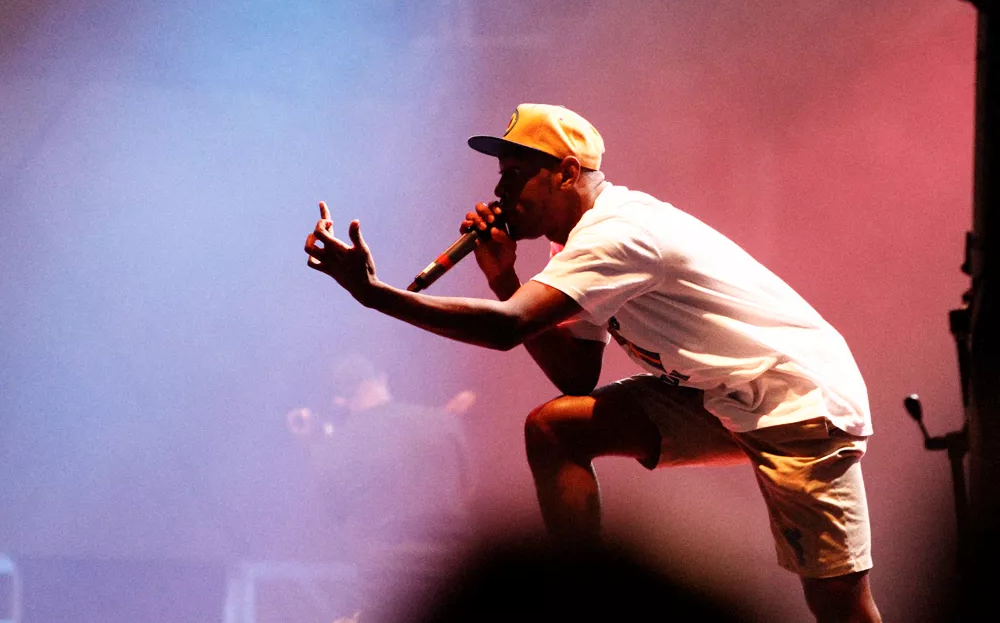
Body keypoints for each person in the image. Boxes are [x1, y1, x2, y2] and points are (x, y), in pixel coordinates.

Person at [304, 104, 881, 622]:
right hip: (721, 396)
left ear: (565, 173)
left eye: (515, 174)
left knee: (838, 604)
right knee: (557, 428)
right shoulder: (576, 245)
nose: (500, 192)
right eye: (500, 175)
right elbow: (576, 375)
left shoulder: (616, 235)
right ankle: (583, 603)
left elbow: (507, 328)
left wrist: (375, 294)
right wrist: (504, 278)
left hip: (794, 400)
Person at [286, 354, 476, 623]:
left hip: (388, 598)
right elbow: (467, 490)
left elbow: (333, 516)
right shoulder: (443, 421)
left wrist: (314, 443)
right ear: (382, 378)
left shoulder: (333, 448)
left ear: (339, 400)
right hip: (460, 581)